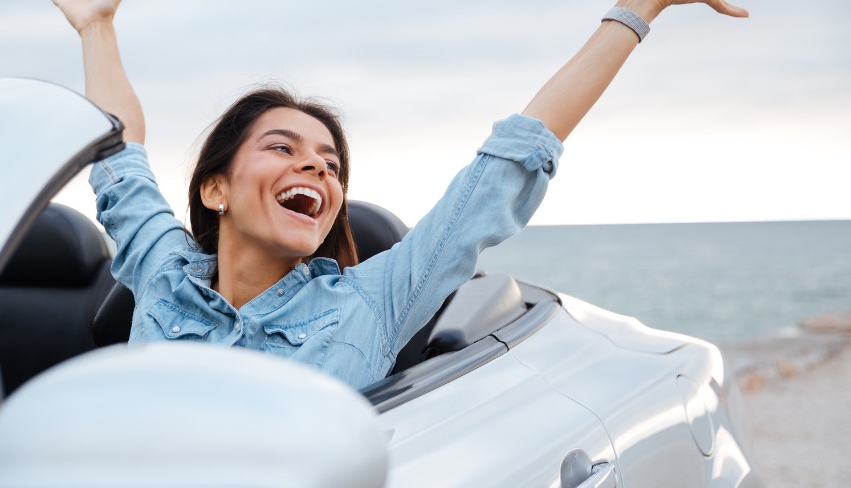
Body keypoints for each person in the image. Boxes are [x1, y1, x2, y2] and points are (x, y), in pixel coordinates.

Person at [53, 0, 748, 389]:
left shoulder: (370, 301)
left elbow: (507, 165)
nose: (318, 172)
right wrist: (97, 25)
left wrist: (636, 10)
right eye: (283, 149)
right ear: (215, 189)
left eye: (331, 165)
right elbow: (119, 154)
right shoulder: (163, 276)